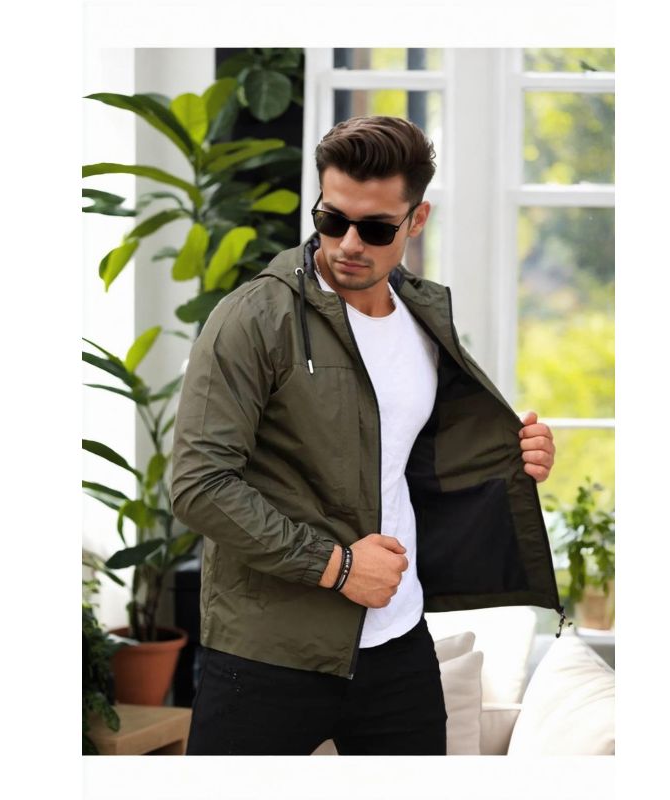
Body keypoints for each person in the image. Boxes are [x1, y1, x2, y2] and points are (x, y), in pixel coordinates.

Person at [170, 115, 562, 756]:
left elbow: (405, 452)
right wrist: (337, 567)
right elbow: (199, 485)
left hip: (397, 642)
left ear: (417, 219)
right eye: (332, 220)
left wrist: (517, 455)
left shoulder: (422, 317)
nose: (348, 243)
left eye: (376, 228)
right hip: (266, 652)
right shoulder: (253, 319)